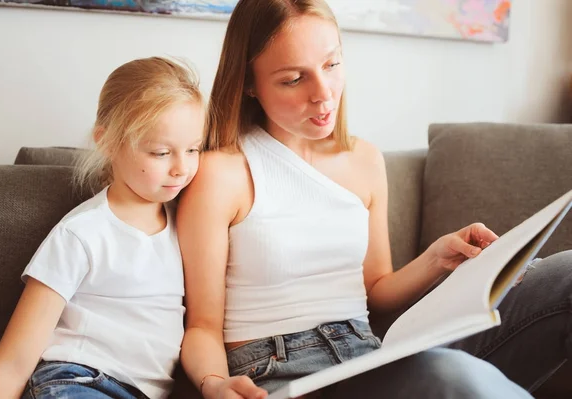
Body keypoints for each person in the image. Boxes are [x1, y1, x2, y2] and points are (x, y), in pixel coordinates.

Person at [175, 1, 572, 398]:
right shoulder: (220, 173)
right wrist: (214, 383)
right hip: (284, 373)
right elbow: (202, 327)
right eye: (294, 79)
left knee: (565, 274)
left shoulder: (364, 159)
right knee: (452, 376)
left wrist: (438, 258)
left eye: (331, 65)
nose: (323, 94)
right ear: (248, 83)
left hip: (371, 354)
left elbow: (376, 291)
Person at [0, 56, 206, 399]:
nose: (181, 168)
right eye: (160, 152)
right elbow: (12, 363)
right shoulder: (82, 234)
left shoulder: (186, 222)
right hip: (78, 381)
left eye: (193, 149)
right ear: (108, 141)